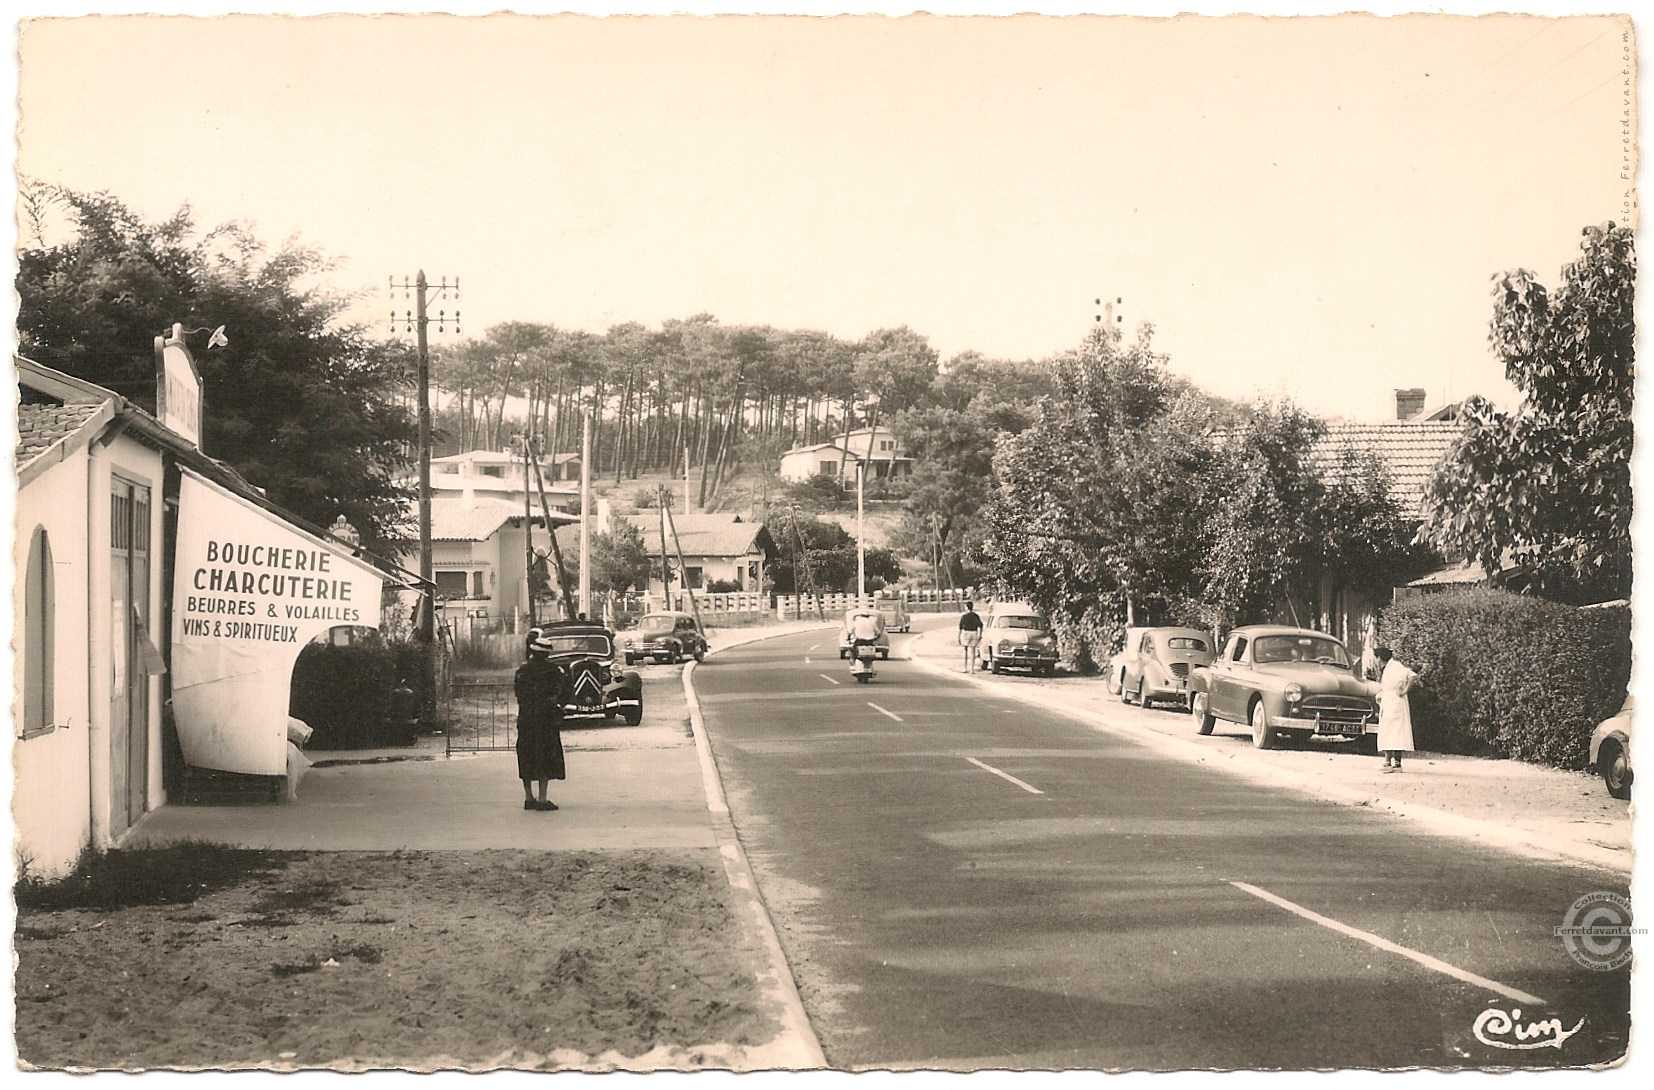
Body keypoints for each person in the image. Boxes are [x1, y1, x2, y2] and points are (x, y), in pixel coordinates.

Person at [515, 628, 567, 810]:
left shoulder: (522, 671)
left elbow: (519, 694)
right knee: (545, 755)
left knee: (526, 755)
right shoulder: (554, 671)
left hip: (526, 719)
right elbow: (561, 694)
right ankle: (543, 798)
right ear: (547, 653)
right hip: (546, 720)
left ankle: (529, 797)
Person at [1373, 646, 1418, 773]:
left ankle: (1392, 763)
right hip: (1389, 701)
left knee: (1393, 730)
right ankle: (1392, 763)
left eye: (1377, 658)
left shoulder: (1396, 667)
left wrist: (1404, 691)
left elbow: (1413, 676)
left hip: (1395, 701)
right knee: (1391, 730)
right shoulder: (1388, 668)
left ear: (1380, 658)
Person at [957, 601, 984, 671]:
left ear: (966, 607)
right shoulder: (976, 616)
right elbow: (980, 625)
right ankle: (972, 669)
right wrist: (980, 635)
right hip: (974, 633)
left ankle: (965, 668)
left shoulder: (964, 616)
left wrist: (959, 637)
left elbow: (960, 627)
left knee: (965, 650)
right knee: (973, 651)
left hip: (966, 633)